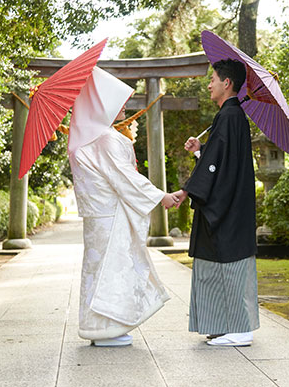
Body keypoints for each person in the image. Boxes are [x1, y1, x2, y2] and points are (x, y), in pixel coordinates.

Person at [68, 67, 180, 347]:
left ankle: (99, 327)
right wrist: (160, 197)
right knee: (113, 269)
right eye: (117, 101)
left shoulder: (84, 137)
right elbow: (124, 178)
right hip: (110, 216)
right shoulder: (105, 137)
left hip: (97, 217)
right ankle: (109, 328)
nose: (124, 107)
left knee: (99, 270)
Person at [173, 59, 259, 347]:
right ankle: (224, 325)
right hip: (231, 204)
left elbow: (219, 166)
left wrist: (187, 191)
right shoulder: (231, 117)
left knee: (229, 264)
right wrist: (202, 152)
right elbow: (221, 161)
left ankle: (240, 329)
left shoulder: (230, 117)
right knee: (218, 265)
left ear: (227, 83)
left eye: (213, 79)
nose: (209, 84)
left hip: (227, 208)